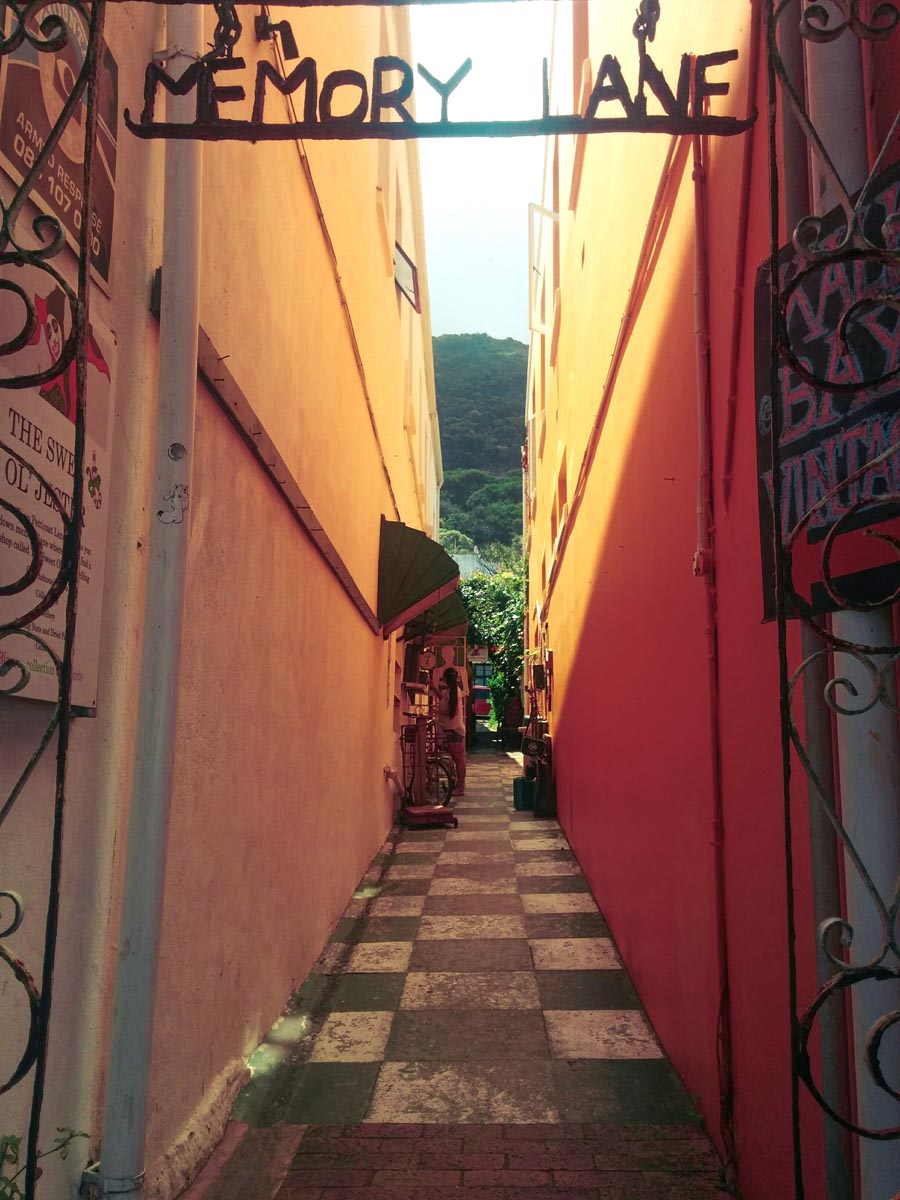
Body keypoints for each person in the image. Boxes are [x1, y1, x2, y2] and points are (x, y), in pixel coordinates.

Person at [434, 665, 466, 795]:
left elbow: (451, 711)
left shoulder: (454, 691)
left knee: (458, 759)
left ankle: (460, 788)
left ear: (446, 680)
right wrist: (434, 689)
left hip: (453, 730)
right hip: (454, 729)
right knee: (458, 759)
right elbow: (444, 701)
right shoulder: (451, 691)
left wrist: (435, 711)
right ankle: (459, 786)